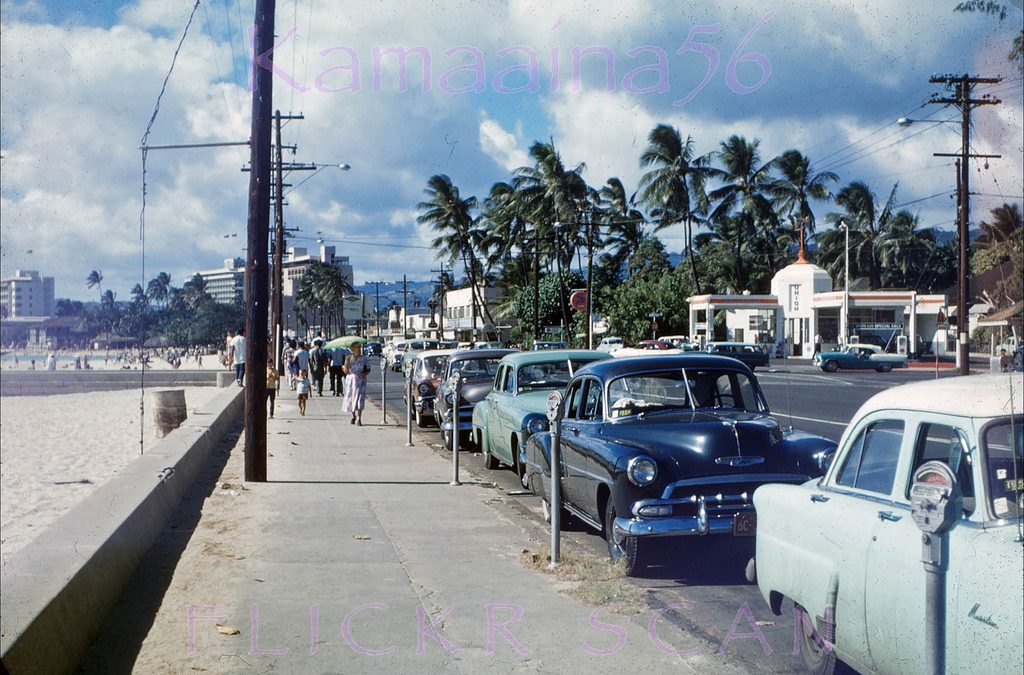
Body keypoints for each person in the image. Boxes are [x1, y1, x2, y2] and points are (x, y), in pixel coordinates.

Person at [342, 342, 370, 425]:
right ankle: (353, 416)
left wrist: (364, 374)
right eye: (357, 347)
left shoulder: (363, 358)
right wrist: (346, 365)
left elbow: (368, 368)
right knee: (351, 399)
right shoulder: (349, 358)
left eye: (359, 347)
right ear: (353, 349)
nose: (359, 349)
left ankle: (359, 418)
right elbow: (346, 371)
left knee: (360, 400)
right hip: (351, 381)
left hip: (361, 381)